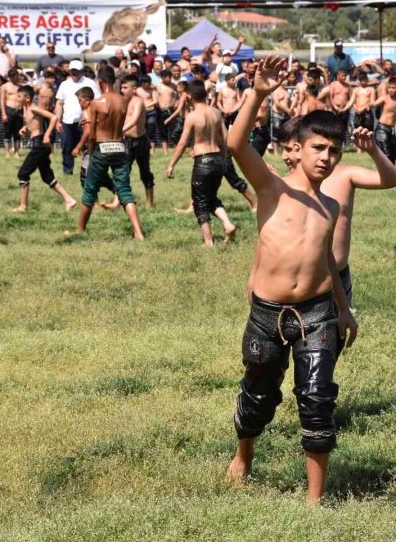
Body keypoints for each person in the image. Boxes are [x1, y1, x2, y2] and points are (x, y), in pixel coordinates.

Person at [224, 55, 356, 506]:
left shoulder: (330, 207)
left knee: (318, 400)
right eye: (319, 148)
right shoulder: (272, 188)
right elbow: (236, 143)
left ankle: (314, 505)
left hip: (317, 313)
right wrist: (258, 93)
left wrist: (342, 307)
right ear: (297, 148)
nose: (327, 158)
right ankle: (244, 453)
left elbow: (326, 261)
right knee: (259, 396)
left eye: (334, 151)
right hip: (267, 314)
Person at [277, 118, 396, 306]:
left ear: (301, 146)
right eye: (284, 149)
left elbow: (391, 180)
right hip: (299, 279)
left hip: (338, 275)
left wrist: (373, 150)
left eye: (288, 149)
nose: (285, 156)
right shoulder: (282, 185)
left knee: (337, 333)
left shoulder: (344, 175)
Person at [69, 67, 144, 240]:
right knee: (124, 190)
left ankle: (80, 229)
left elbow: (93, 134)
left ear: (101, 81)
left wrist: (89, 150)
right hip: (120, 145)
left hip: (102, 146)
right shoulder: (124, 101)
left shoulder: (96, 103)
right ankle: (138, 232)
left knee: (89, 190)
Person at [165, 79, 237, 245]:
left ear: (189, 96)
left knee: (200, 202)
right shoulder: (216, 113)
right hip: (218, 159)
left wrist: (171, 164)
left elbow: (182, 143)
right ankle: (228, 224)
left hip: (202, 160)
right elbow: (226, 139)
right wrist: (225, 159)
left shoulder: (191, 116)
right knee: (211, 198)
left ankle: (208, 241)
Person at [11, 85, 77, 213]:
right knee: (47, 176)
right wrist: (25, 128)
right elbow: (32, 122)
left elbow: (53, 118)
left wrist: (47, 135)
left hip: (40, 144)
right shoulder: (26, 108)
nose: (17, 98)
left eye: (19, 96)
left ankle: (23, 206)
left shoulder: (34, 108)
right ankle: (69, 200)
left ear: (28, 98)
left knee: (23, 173)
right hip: (37, 143)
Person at [55, 59, 100, 175]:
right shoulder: (64, 84)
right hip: (68, 121)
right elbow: (59, 103)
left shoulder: (90, 83)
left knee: (88, 147)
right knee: (67, 147)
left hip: (86, 121)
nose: (74, 74)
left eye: (76, 71)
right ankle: (67, 171)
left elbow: (97, 101)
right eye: (72, 71)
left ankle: (88, 170)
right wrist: (57, 121)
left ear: (81, 71)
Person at [121, 74, 155, 208]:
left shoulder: (138, 102)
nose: (122, 90)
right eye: (122, 87)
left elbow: (134, 120)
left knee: (145, 172)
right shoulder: (123, 101)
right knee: (123, 172)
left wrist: (120, 130)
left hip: (140, 142)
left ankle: (149, 202)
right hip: (126, 142)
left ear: (134, 89)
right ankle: (118, 201)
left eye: (125, 87)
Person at [370, 76, 396, 164]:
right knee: (386, 154)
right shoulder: (385, 98)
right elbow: (372, 104)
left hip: (391, 130)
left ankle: (391, 175)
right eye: (389, 87)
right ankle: (383, 174)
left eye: (393, 88)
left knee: (394, 155)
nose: (390, 90)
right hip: (382, 129)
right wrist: (373, 93)